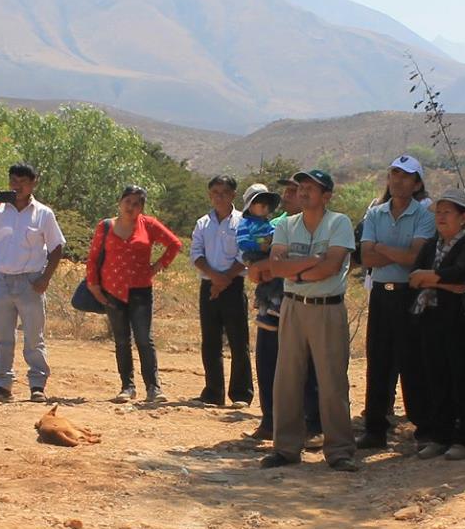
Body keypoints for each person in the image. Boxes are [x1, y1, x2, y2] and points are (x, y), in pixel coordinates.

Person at [254, 168, 359, 473]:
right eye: (301, 187)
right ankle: (285, 448)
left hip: (327, 309)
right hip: (293, 307)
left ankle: (339, 449)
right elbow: (275, 266)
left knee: (331, 381)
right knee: (287, 378)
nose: (303, 192)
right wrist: (309, 264)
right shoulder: (287, 224)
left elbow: (331, 267)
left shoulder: (338, 223)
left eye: (311, 188)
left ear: (326, 196)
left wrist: (294, 270)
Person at [409, 190, 465, 460]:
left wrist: (430, 278)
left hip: (462, 321)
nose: (441, 217)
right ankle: (440, 436)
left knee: (464, 379)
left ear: (464, 216)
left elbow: (463, 274)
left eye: (448, 212)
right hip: (431, 317)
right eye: (439, 212)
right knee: (437, 378)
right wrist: (441, 280)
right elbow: (415, 276)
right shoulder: (431, 244)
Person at [358, 155, 436, 449]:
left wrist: (380, 247)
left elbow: (414, 258)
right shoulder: (375, 214)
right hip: (381, 293)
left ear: (417, 183)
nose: (399, 181)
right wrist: (394, 252)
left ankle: (424, 428)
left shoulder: (425, 215)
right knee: (378, 359)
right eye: (394, 174)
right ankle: (375, 429)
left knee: (412, 361)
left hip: (408, 295)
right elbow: (366, 258)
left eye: (406, 176)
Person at [84, 186, 183, 404]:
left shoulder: (148, 224)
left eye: (136, 203)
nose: (131, 206)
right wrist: (94, 286)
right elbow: (92, 258)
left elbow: (175, 244)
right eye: (128, 201)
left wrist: (157, 266)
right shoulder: (106, 226)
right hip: (111, 290)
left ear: (142, 207)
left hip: (140, 290)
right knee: (121, 340)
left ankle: (153, 388)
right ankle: (127, 387)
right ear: (120, 202)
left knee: (144, 339)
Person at [0, 162, 65, 404]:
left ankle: (37, 384)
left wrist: (45, 278)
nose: (17, 186)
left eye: (23, 182)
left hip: (30, 281)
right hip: (2, 280)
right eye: (13, 181)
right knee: (2, 335)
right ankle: (2, 385)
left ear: (33, 183)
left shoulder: (43, 213)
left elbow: (56, 247)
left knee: (33, 336)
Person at [249, 181, 322, 442]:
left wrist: (276, 265)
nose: (290, 195)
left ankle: (313, 425)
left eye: (295, 191)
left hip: (305, 303)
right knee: (268, 360)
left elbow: (313, 262)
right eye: (288, 191)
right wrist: (267, 265)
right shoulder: (276, 225)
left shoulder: (318, 226)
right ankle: (270, 421)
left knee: (308, 365)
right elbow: (256, 268)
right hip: (272, 302)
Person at [190, 175, 253, 407]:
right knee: (210, 341)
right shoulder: (202, 223)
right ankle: (213, 393)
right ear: (209, 194)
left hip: (233, 285)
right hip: (208, 286)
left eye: (224, 192)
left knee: (238, 341)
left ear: (233, 195)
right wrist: (215, 278)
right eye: (215, 192)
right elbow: (196, 253)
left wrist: (224, 279)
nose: (219, 196)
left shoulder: (243, 222)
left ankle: (241, 394)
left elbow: (245, 255)